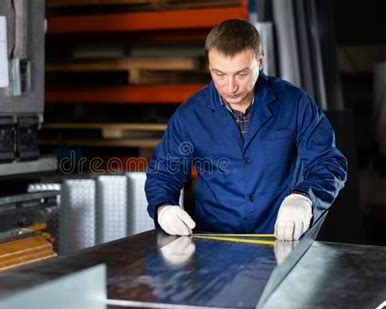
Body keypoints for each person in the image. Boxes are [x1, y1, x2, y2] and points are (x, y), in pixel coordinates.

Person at [145, 19, 347, 241]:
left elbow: (329, 163)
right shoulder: (190, 115)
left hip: (282, 240)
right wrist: (163, 207)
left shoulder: (295, 104)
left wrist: (304, 197)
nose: (230, 87)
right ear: (209, 65)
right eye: (219, 74)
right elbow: (164, 171)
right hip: (215, 245)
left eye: (241, 74)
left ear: (259, 62)